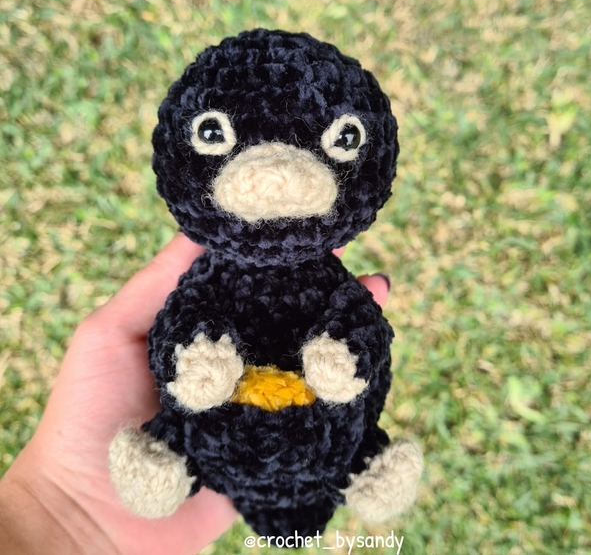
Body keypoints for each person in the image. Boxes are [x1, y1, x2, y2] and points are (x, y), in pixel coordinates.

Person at [0, 234, 390, 555]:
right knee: (185, 411)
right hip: (217, 436)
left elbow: (362, 325)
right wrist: (194, 358)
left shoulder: (325, 281)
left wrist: (347, 354)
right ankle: (168, 460)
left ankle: (362, 463)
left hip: (322, 439)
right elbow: (179, 322)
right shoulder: (211, 277)